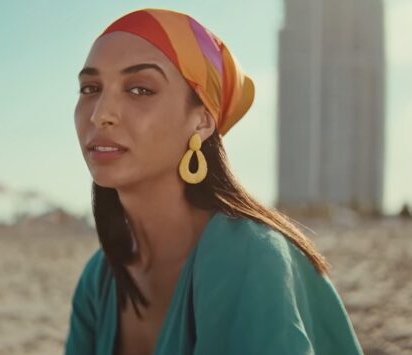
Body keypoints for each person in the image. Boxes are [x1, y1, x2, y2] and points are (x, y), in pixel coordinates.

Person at [65, 8, 363, 355]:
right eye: (90, 87)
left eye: (140, 90)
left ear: (202, 121)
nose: (101, 113)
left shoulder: (248, 254)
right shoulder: (100, 277)